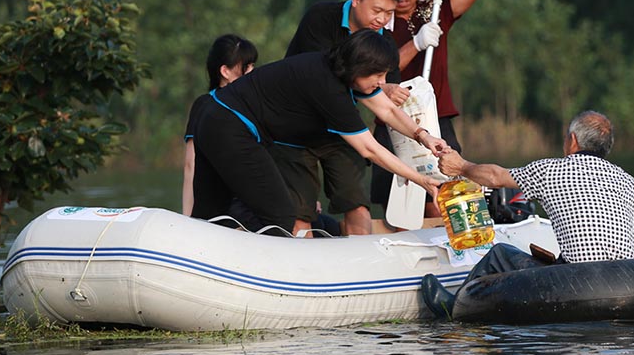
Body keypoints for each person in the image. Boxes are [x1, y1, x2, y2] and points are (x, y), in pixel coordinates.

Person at [190, 29, 448, 235]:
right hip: (231, 127)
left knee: (211, 212)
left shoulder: (337, 68)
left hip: (212, 116)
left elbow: (389, 111)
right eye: (378, 74)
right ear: (360, 67)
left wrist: (423, 136)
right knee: (280, 216)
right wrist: (421, 179)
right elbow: (369, 149)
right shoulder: (328, 89)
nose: (383, 82)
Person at [422, 110, 634, 318]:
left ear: (573, 140)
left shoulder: (552, 170)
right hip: (623, 283)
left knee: (500, 254)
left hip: (574, 285)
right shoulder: (626, 180)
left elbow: (495, 177)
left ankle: (454, 309)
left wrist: (462, 166)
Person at [281, 0, 424, 235]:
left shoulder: (385, 44)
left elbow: (386, 104)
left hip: (342, 129)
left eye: (389, 13)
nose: (382, 19)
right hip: (293, 129)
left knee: (357, 205)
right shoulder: (321, 18)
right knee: (301, 214)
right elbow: (324, 81)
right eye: (377, 10)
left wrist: (419, 132)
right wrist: (381, 90)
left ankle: (363, 267)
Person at [371, 0, 487, 218]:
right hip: (392, 116)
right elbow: (381, 71)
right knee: (396, 199)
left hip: (436, 115)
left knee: (447, 189)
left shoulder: (432, 11)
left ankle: (453, 245)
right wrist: (418, 43)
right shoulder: (375, 22)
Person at [182, 34, 257, 217]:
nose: (253, 72)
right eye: (246, 67)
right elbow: (191, 165)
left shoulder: (255, 103)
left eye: (254, 65)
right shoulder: (206, 105)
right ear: (225, 72)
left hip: (255, 201)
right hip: (226, 209)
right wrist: (187, 220)